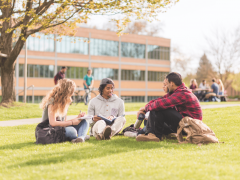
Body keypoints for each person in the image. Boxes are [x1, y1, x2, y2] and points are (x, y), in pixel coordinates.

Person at [136, 72, 202, 142]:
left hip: (190, 127)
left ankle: (154, 135)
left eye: (166, 83)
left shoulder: (182, 93)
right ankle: (152, 133)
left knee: (159, 107)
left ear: (171, 83)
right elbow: (159, 99)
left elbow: (160, 104)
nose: (166, 85)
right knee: (150, 118)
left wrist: (146, 109)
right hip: (185, 124)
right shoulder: (177, 92)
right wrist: (144, 108)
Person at [40, 79, 89, 143]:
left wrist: (77, 118)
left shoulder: (65, 102)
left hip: (60, 129)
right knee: (72, 131)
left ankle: (80, 138)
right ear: (67, 90)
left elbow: (64, 122)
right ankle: (80, 136)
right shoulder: (52, 101)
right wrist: (72, 122)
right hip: (49, 131)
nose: (73, 93)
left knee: (84, 122)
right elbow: (52, 123)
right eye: (72, 90)